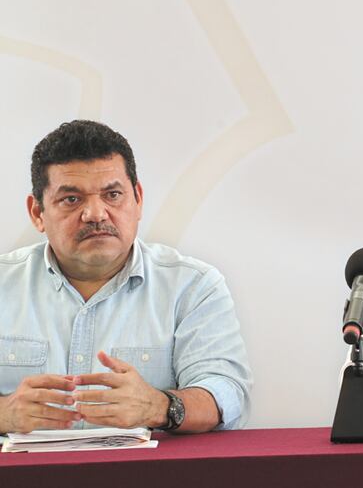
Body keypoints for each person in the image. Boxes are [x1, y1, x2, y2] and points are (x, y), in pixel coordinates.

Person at [0, 120, 252, 434]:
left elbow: (227, 394)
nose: (95, 214)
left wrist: (159, 406)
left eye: (113, 194)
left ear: (138, 199)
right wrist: (4, 413)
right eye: (71, 199)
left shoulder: (192, 286)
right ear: (37, 213)